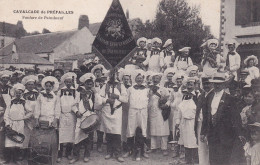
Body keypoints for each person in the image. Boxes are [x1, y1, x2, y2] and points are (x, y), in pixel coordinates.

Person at [200, 72, 244, 165]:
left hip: (226, 134)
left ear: (224, 84)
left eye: (219, 84)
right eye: (215, 84)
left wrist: (240, 133)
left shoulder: (229, 98)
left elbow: (236, 117)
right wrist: (203, 132)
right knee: (213, 157)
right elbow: (206, 116)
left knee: (224, 158)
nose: (217, 86)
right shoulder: (209, 97)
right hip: (212, 133)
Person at [70, 73, 103, 164]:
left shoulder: (94, 94)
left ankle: (86, 155)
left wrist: (96, 92)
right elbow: (73, 105)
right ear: (84, 84)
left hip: (90, 118)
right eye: (87, 84)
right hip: (80, 118)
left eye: (91, 84)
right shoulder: (79, 93)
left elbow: (100, 103)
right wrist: (77, 112)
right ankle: (76, 156)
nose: (89, 86)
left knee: (89, 138)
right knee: (77, 136)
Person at [98, 70, 127, 162]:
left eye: (115, 75)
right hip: (107, 111)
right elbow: (99, 98)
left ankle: (117, 153)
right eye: (111, 75)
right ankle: (109, 152)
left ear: (117, 75)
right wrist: (106, 100)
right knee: (109, 132)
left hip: (117, 111)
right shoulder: (105, 85)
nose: (113, 76)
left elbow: (126, 99)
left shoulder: (121, 86)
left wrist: (117, 97)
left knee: (117, 132)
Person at [123, 69, 149, 161]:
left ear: (143, 79)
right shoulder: (130, 89)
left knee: (143, 129)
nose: (139, 80)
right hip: (132, 111)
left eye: (141, 78)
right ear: (135, 79)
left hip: (143, 111)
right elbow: (125, 99)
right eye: (137, 78)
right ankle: (129, 150)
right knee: (130, 129)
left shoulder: (147, 89)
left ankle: (142, 151)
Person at [3, 83, 30, 164]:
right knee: (9, 142)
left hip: (20, 124)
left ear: (22, 93)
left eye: (20, 93)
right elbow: (6, 114)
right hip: (11, 124)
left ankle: (16, 159)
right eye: (17, 93)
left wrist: (24, 117)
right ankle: (8, 159)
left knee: (18, 142)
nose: (19, 94)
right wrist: (7, 124)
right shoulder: (10, 102)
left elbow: (30, 112)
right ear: (14, 93)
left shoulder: (24, 102)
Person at [56, 72, 79, 162]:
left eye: (70, 82)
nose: (69, 83)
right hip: (62, 115)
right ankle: (60, 154)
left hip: (72, 115)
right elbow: (58, 104)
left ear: (72, 82)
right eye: (67, 82)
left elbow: (76, 104)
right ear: (65, 82)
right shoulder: (60, 91)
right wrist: (57, 116)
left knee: (71, 135)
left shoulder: (75, 92)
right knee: (61, 135)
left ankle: (69, 153)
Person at [176, 77, 199, 164]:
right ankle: (188, 160)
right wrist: (177, 121)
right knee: (185, 140)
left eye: (191, 84)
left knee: (193, 141)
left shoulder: (197, 95)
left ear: (195, 85)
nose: (189, 86)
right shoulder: (184, 95)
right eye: (188, 84)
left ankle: (195, 160)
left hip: (193, 122)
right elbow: (180, 110)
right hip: (184, 122)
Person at [149, 72, 170, 156]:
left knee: (163, 129)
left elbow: (169, 98)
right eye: (154, 78)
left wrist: (166, 105)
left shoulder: (163, 89)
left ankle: (164, 148)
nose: (155, 80)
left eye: (157, 78)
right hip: (152, 110)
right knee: (153, 129)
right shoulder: (149, 89)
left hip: (162, 111)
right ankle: (154, 147)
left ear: (160, 79)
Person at [194, 76, 213, 165]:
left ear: (212, 84)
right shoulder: (201, 95)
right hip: (200, 123)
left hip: (210, 125)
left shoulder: (213, 95)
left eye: (208, 84)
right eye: (205, 84)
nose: (206, 86)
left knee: (209, 146)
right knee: (201, 146)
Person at [21, 75, 39, 159]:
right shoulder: (23, 94)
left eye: (32, 84)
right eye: (29, 84)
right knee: (25, 135)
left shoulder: (37, 94)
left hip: (34, 117)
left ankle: (32, 153)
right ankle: (23, 153)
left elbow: (39, 105)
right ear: (26, 85)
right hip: (25, 118)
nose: (31, 86)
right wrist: (25, 115)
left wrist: (36, 116)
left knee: (34, 135)